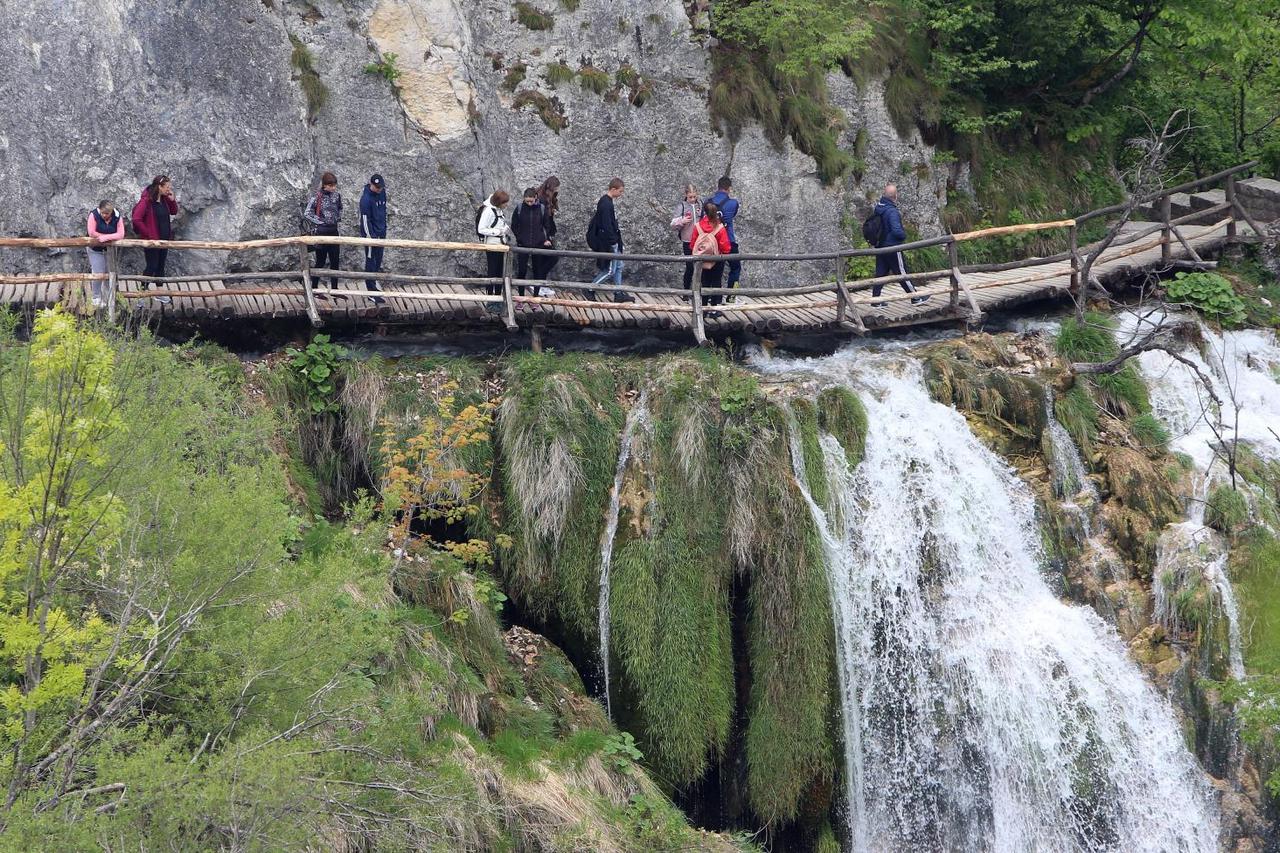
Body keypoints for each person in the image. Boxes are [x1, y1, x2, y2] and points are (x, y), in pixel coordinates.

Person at [871, 183, 929, 307]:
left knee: (880, 273)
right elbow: (897, 231)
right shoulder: (892, 211)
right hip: (893, 246)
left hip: (880, 246)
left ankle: (875, 301)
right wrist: (903, 236)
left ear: (884, 194)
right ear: (895, 196)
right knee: (902, 272)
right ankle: (916, 297)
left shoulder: (878, 208)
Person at [130, 175, 178, 304]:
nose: (169, 189)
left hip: (164, 240)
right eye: (167, 187)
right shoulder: (146, 201)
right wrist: (148, 234)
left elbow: (174, 211)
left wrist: (172, 200)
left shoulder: (164, 199)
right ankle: (141, 294)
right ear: (159, 187)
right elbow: (136, 219)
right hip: (152, 241)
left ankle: (159, 293)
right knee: (152, 266)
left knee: (161, 265)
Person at [587, 178, 630, 302]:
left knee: (619, 266)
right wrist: (613, 242)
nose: (621, 194)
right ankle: (590, 289)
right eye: (620, 191)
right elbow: (606, 225)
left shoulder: (608, 202)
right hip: (610, 242)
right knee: (610, 270)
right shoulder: (606, 204)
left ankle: (618, 293)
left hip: (614, 240)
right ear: (613, 189)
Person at [303, 171, 344, 298]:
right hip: (321, 233)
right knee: (320, 262)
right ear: (325, 185)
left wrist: (337, 219)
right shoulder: (317, 196)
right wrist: (320, 222)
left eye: (334, 185)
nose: (333, 188)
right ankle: (315, 289)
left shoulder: (337, 196)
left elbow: (340, 208)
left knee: (335, 261)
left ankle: (335, 290)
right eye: (331, 185)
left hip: (334, 232)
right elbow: (307, 213)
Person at [511, 187, 552, 297]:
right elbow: (514, 225)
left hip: (538, 244)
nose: (529, 203)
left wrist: (545, 238)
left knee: (537, 270)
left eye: (531, 201)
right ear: (524, 198)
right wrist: (519, 237)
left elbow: (547, 225)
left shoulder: (541, 208)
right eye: (527, 201)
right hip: (522, 244)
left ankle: (536, 296)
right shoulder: (519, 208)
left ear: (535, 198)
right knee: (522, 270)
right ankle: (521, 296)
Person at [689, 201, 732, 308]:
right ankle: (714, 307)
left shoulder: (698, 226)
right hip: (717, 259)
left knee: (704, 282)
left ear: (705, 212)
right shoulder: (720, 228)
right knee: (716, 282)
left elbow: (692, 245)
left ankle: (703, 307)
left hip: (702, 259)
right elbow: (726, 247)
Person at [86, 199, 124, 309]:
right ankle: (96, 297)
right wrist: (109, 237)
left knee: (109, 272)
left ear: (111, 212)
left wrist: (105, 238)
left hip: (110, 250)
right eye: (102, 213)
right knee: (98, 272)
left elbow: (121, 234)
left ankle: (109, 296)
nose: (104, 215)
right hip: (95, 249)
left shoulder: (117, 216)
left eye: (107, 213)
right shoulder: (93, 215)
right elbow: (92, 232)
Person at [707, 176, 741, 295]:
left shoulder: (707, 202)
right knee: (735, 268)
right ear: (729, 188)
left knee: (711, 268)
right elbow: (732, 215)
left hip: (711, 240)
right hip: (728, 240)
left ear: (718, 186)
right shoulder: (733, 203)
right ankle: (731, 296)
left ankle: (709, 296)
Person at [476, 189, 511, 299]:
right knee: (493, 271)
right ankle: (490, 297)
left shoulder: (498, 210)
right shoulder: (488, 211)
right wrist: (498, 232)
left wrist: (504, 229)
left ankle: (497, 296)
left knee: (500, 271)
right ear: (499, 202)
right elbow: (481, 229)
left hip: (500, 245)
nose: (506, 205)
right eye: (505, 202)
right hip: (492, 245)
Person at [359, 173, 387, 305]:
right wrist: (371, 237)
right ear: (371, 184)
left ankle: (374, 287)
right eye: (377, 187)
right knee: (371, 262)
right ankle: (371, 292)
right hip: (371, 236)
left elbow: (383, 212)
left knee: (378, 261)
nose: (379, 189)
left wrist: (383, 230)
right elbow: (365, 220)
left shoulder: (382, 193)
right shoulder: (366, 199)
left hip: (381, 234)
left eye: (380, 187)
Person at [669, 184, 700, 291]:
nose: (692, 199)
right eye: (690, 197)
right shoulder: (681, 206)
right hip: (688, 240)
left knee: (700, 266)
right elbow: (673, 224)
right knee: (690, 266)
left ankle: (698, 290)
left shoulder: (700, 204)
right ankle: (686, 291)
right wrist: (682, 221)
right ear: (686, 195)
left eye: (694, 196)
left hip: (700, 240)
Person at [534, 176, 561, 292]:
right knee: (551, 258)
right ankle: (537, 284)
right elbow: (541, 221)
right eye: (556, 188)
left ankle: (541, 284)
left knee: (544, 259)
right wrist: (544, 238)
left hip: (546, 233)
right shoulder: (542, 200)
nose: (557, 190)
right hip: (542, 235)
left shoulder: (548, 199)